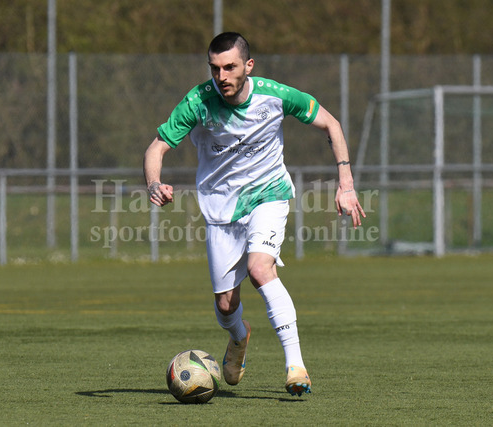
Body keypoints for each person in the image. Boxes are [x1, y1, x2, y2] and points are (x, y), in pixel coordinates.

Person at [143, 32, 365, 397]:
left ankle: (296, 366)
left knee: (261, 269)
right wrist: (154, 183)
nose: (222, 76)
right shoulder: (197, 102)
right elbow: (157, 148)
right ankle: (239, 336)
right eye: (215, 68)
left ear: (248, 66)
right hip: (220, 210)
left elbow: (332, 124)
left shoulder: (275, 95)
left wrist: (346, 184)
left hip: (268, 195)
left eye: (230, 67)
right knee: (225, 304)